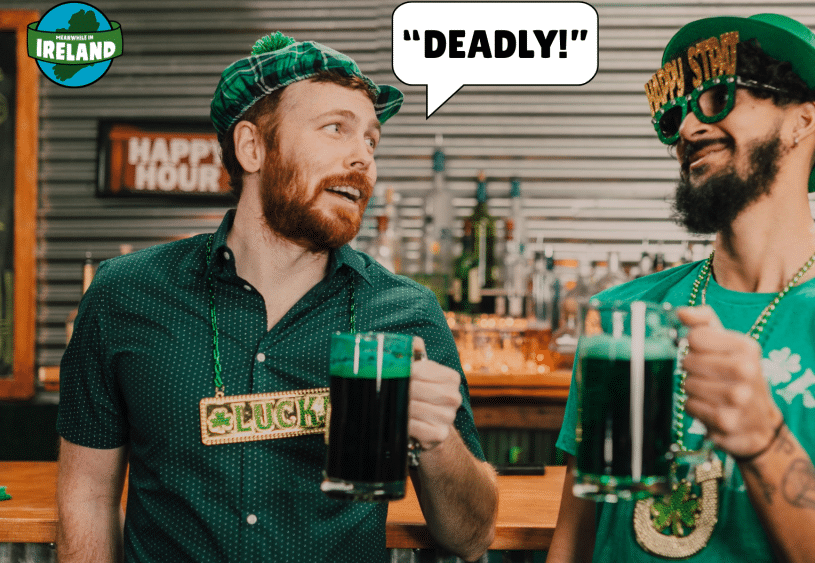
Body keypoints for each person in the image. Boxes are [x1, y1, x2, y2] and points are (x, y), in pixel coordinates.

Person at [56, 32, 497, 563]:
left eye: (371, 141)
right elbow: (87, 497)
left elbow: (471, 537)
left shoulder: (406, 313)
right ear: (252, 148)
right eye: (336, 128)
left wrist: (439, 440)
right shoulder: (125, 295)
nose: (363, 157)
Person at [547, 14, 815, 563]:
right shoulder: (620, 317)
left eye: (717, 98)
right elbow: (574, 542)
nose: (687, 130)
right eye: (676, 114)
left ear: (802, 120)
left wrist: (765, 441)